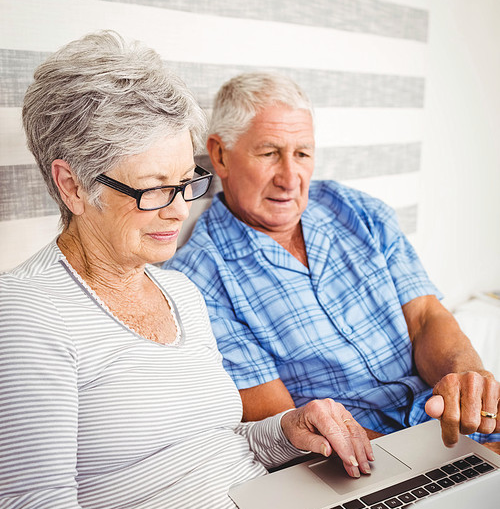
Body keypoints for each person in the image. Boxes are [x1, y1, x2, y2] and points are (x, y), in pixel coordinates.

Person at [1, 33, 499, 509]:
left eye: (187, 184)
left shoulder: (177, 291)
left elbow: (210, 441)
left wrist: (286, 430)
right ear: (72, 187)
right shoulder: (25, 313)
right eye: (153, 189)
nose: (178, 212)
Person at [166, 73, 500, 452]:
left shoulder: (358, 211)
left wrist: (467, 378)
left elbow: (426, 317)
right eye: (269, 153)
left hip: (456, 428)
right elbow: (285, 423)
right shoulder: (198, 282)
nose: (290, 179)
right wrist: (453, 462)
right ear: (220, 155)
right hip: (370, 460)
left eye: (303, 154)